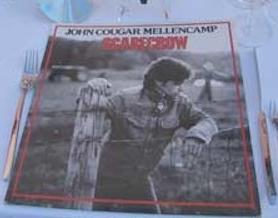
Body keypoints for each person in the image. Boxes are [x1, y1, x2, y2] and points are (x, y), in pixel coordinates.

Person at [92, 57, 218, 213]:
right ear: (160, 82)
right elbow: (91, 110)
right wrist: (93, 92)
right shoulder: (124, 99)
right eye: (177, 84)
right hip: (106, 177)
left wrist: (196, 136)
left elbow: (206, 120)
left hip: (139, 179)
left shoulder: (180, 103)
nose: (181, 89)